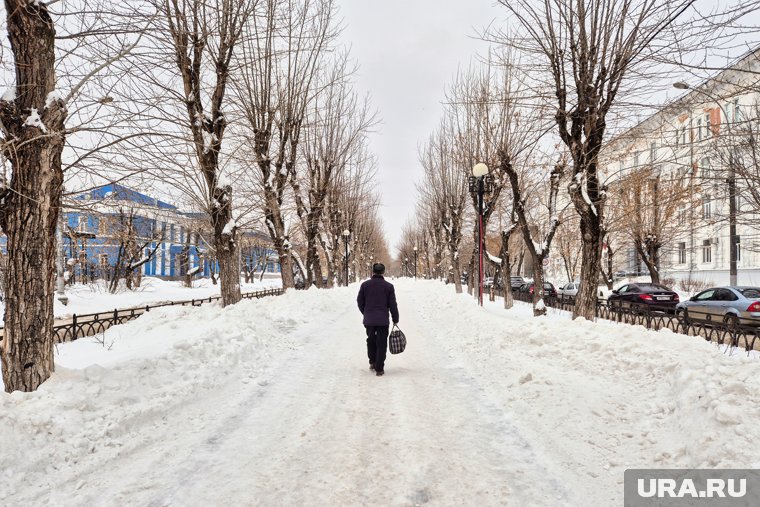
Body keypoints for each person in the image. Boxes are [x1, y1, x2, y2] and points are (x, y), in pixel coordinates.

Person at [356, 263, 399, 376]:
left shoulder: (365, 285)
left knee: (371, 340)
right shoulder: (389, 287)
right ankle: (379, 368)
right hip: (383, 320)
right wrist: (395, 318)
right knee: (381, 343)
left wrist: (365, 312)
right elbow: (393, 305)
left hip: (369, 320)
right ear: (383, 272)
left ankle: (372, 361)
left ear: (373, 271)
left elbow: (360, 301)